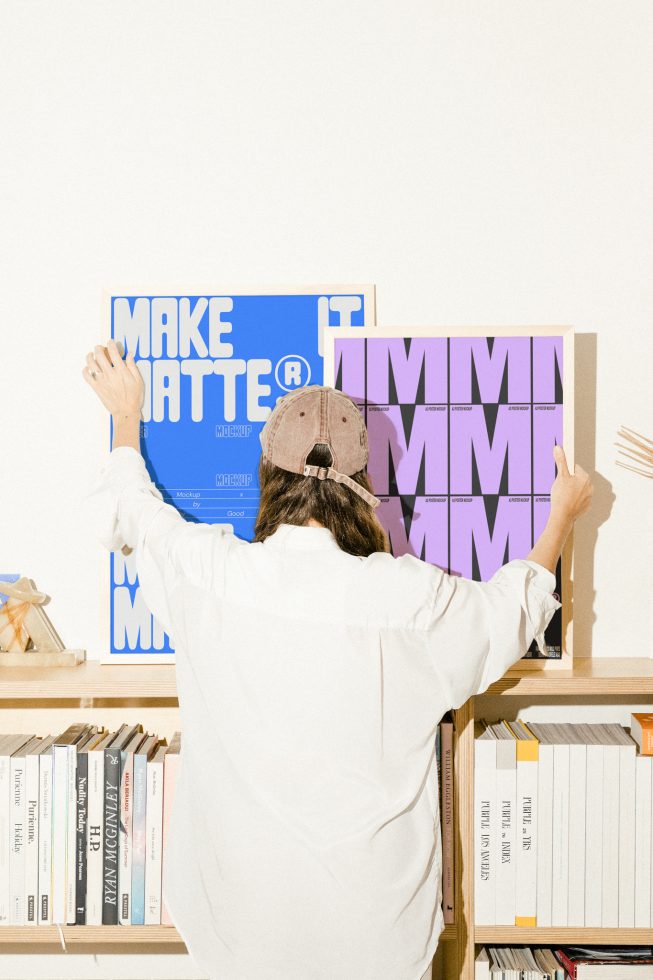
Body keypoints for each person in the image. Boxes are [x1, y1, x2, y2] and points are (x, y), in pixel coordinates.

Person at [81, 340, 592, 980]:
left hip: (240, 933)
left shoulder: (209, 573)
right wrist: (561, 518)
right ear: (363, 487)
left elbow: (131, 511)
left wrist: (126, 417)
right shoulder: (411, 597)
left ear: (269, 475)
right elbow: (509, 614)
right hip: (376, 941)